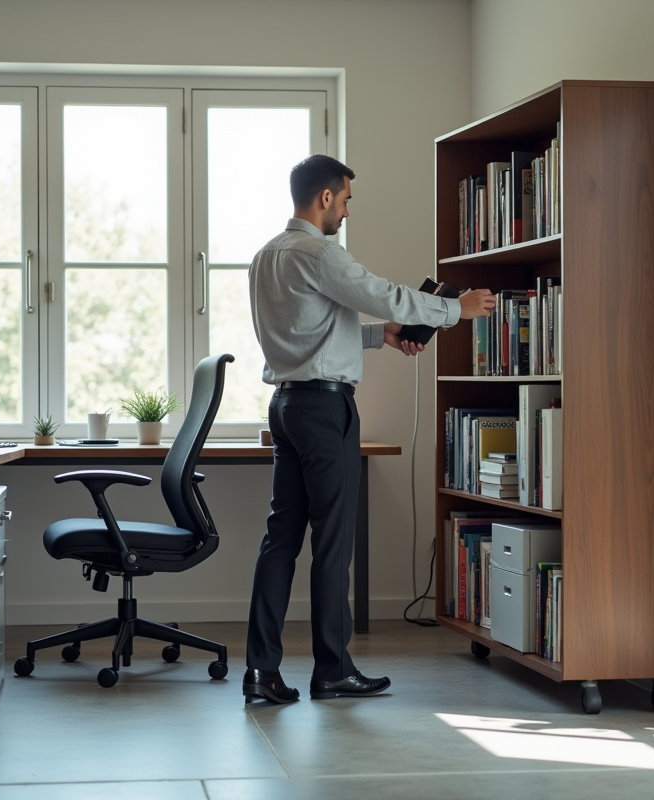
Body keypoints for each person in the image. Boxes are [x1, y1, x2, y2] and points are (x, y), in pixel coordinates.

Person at [243, 155, 496, 704]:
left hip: (285, 408)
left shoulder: (265, 258)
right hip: (324, 412)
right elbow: (385, 293)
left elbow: (310, 331)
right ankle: (331, 670)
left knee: (279, 542)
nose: (348, 211)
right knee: (332, 546)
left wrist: (382, 336)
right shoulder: (320, 252)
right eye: (347, 200)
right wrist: (457, 308)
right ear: (326, 198)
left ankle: (260, 672)